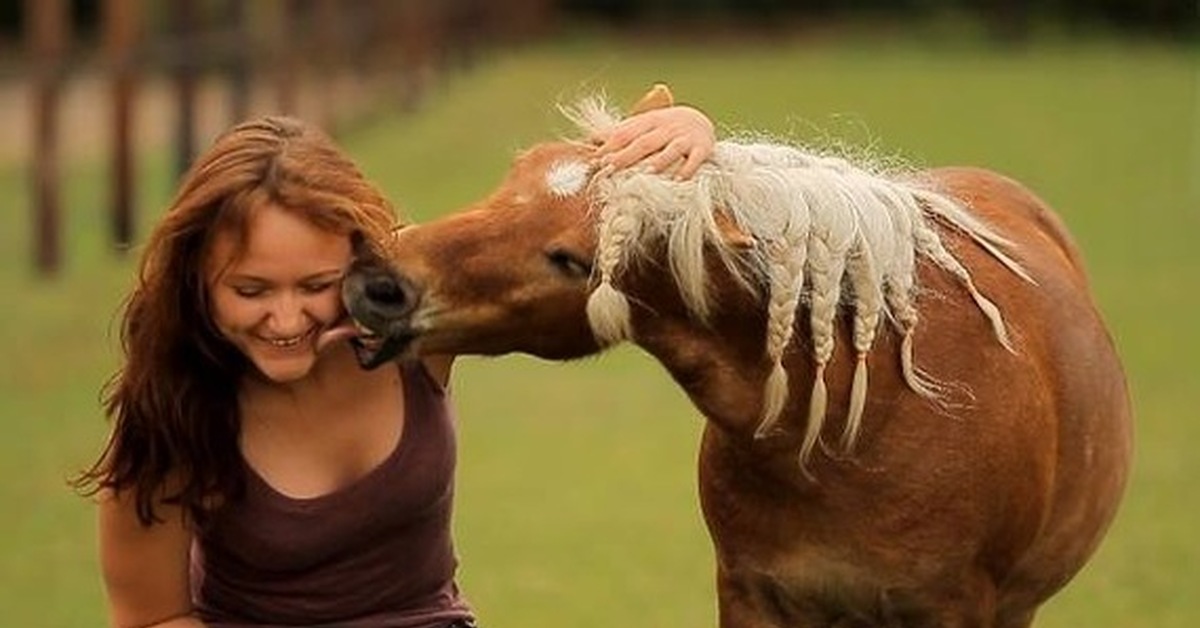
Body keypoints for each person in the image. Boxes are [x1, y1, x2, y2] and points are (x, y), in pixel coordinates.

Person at [72, 97, 716, 628]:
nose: (289, 320)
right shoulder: (170, 412)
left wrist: (690, 128)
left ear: (360, 258)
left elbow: (560, 215)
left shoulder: (412, 321)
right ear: (198, 281)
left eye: (316, 284)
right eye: (251, 291)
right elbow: (151, 618)